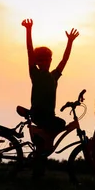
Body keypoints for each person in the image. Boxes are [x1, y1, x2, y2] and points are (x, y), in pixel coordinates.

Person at [21, 18, 79, 153]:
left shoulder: (54, 76)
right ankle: (41, 134)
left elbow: (64, 60)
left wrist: (70, 42)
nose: (44, 62)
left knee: (43, 148)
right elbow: (29, 51)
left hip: (49, 115)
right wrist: (28, 30)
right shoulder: (35, 73)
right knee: (60, 124)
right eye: (40, 60)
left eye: (46, 59)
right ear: (36, 62)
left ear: (50, 60)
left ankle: (42, 138)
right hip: (39, 113)